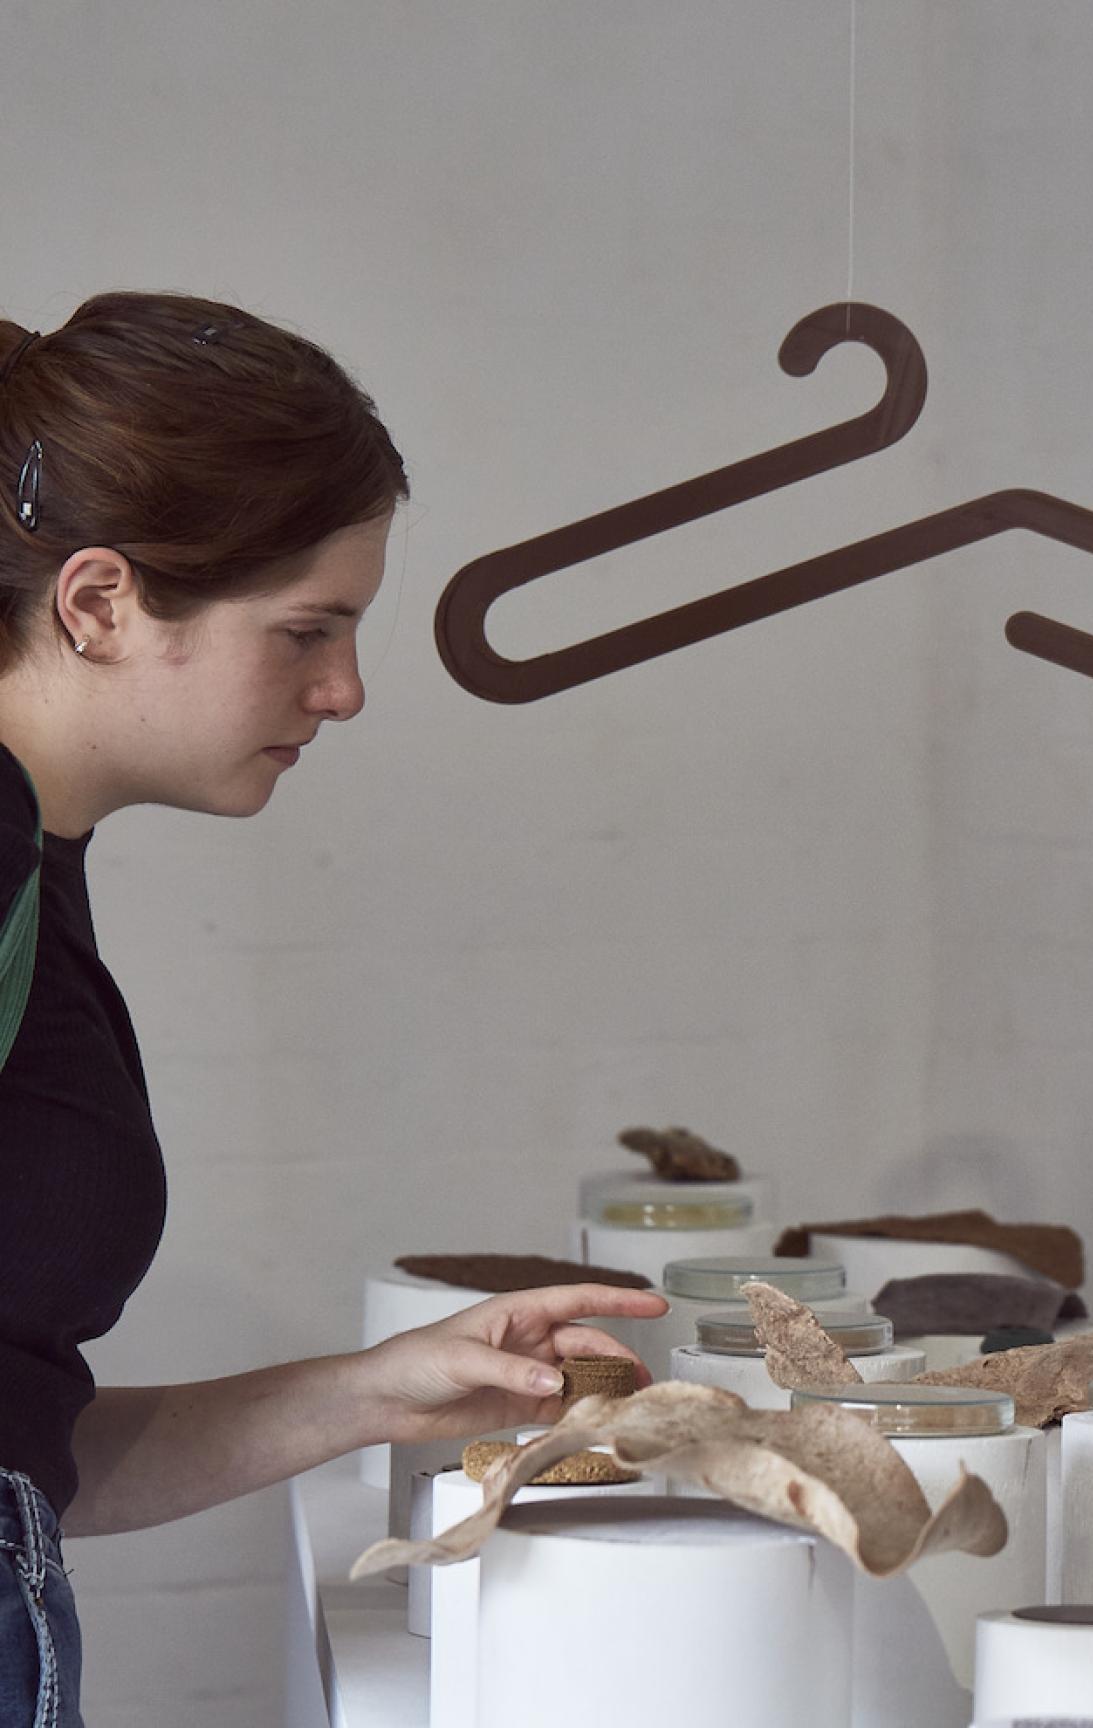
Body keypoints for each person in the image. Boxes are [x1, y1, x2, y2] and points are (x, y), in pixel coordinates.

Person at [0, 292, 665, 1727]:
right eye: (307, 629)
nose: (346, 690)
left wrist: (376, 1392)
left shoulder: (38, 869)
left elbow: (25, 1451)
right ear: (100, 602)